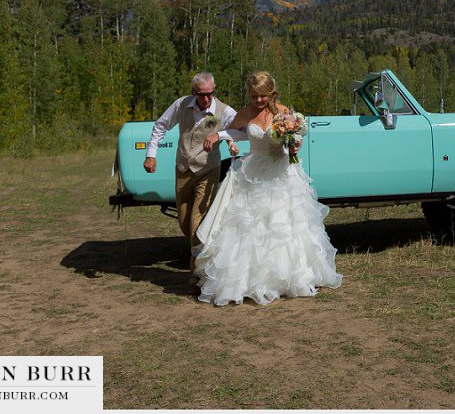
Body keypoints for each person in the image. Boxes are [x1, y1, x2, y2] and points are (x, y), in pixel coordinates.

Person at [192, 71, 342, 306]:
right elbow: (236, 131)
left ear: (272, 93)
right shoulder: (245, 113)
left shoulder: (284, 113)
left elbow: (294, 139)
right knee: (249, 225)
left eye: (262, 96)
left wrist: (294, 146)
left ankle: (289, 277)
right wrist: (219, 136)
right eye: (253, 96)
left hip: (281, 172)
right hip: (253, 171)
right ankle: (246, 281)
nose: (258, 101)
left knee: (284, 225)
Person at [144, 71, 245, 295]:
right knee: (184, 223)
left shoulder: (224, 111)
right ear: (194, 92)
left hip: (208, 170)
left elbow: (243, 130)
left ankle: (198, 278)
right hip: (182, 169)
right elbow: (161, 125)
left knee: (197, 226)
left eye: (210, 94)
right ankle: (215, 257)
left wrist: (222, 137)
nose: (206, 99)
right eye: (201, 95)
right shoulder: (181, 105)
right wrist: (151, 154)